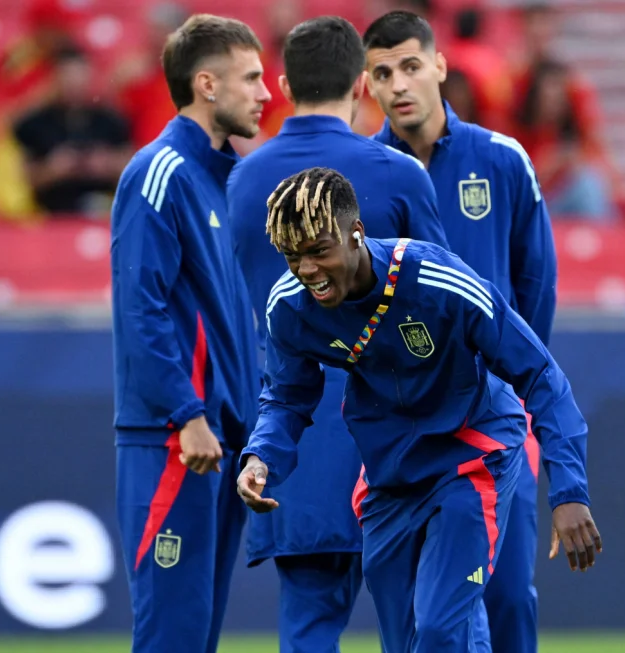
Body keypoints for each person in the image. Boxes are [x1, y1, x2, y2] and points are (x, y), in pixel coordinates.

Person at [235, 167, 600, 652]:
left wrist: (569, 492)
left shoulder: (439, 281)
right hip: (390, 478)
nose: (307, 270)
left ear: (356, 235)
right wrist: (260, 457)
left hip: (471, 457)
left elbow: (541, 375)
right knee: (406, 641)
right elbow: (285, 395)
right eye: (292, 256)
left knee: (438, 632)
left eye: (320, 250)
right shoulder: (289, 306)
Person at [225, 15, 448, 653]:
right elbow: (439, 307)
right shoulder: (401, 174)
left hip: (296, 441)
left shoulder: (243, 183)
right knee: (416, 628)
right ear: (360, 83)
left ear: (287, 82)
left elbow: (251, 306)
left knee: (308, 627)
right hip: (397, 440)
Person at [363, 11, 557, 652]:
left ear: (441, 66)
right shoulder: (361, 178)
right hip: (402, 427)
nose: (399, 85)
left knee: (503, 594)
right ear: (367, 84)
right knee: (427, 608)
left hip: (497, 417)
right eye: (382, 73)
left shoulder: (501, 161)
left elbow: (536, 286)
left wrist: (519, 388)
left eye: (411, 66)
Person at [109, 14, 270, 653]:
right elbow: (138, 310)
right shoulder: (159, 173)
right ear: (206, 84)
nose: (265, 93)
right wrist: (186, 413)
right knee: (173, 637)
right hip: (176, 441)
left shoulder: (233, 180)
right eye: (251, 78)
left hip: (220, 442)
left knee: (197, 637)